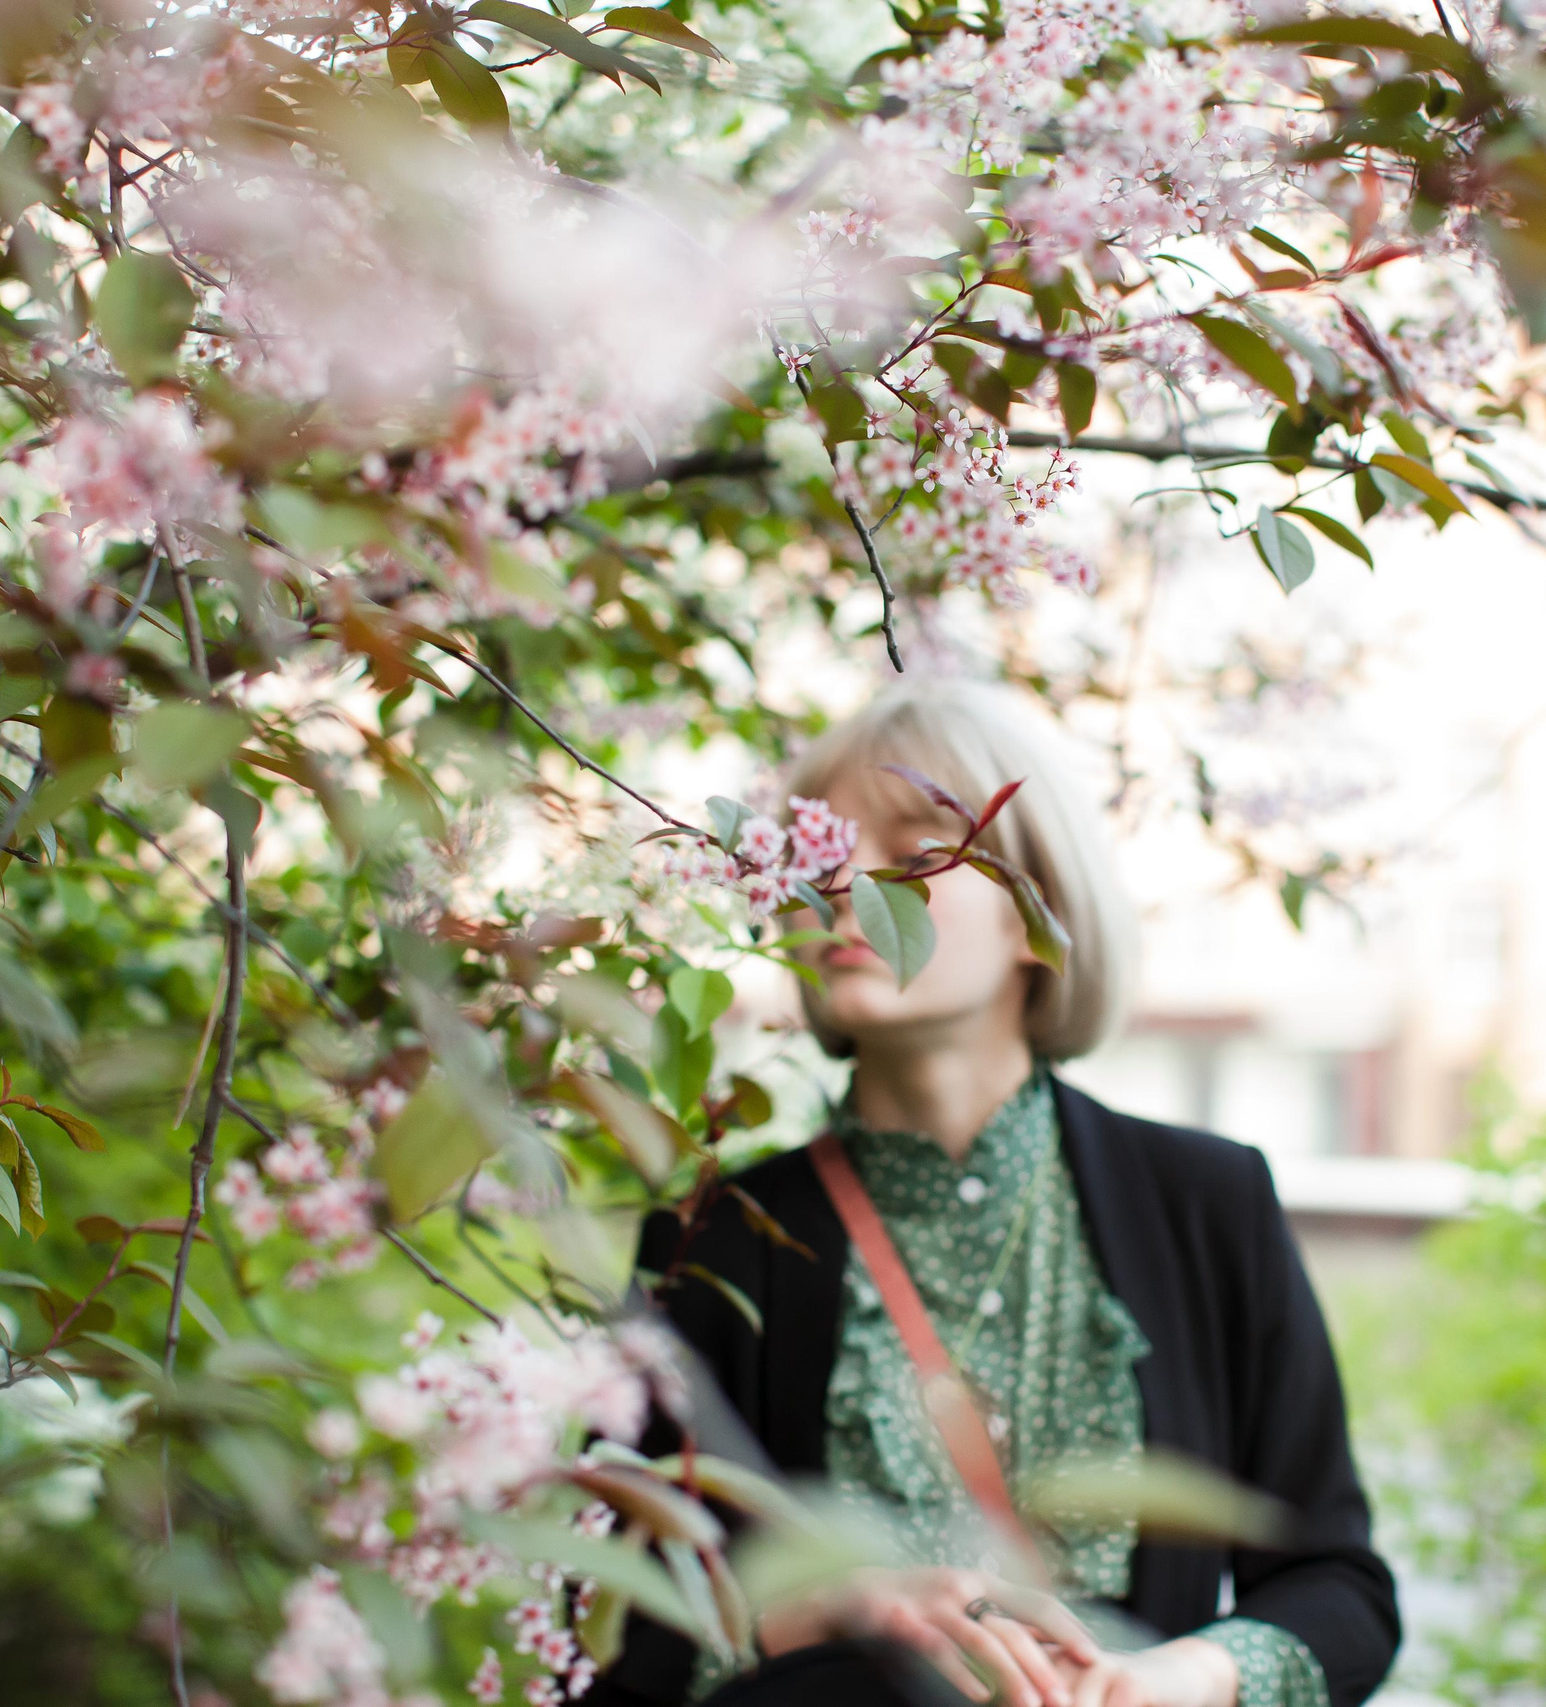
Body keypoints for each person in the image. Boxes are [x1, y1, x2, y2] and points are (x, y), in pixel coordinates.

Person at [592, 681, 1399, 1707]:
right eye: (820, 854)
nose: (842, 887)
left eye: (913, 848)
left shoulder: (1208, 1201)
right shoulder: (709, 1234)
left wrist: (1176, 1679)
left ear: (1036, 915)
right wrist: (827, 1612)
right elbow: (606, 1620)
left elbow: (1339, 1589)